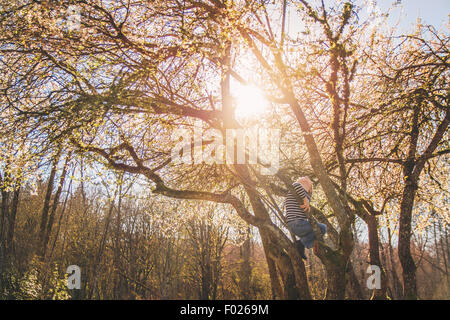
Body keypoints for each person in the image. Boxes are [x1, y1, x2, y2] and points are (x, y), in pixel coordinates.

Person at [284, 176, 327, 260]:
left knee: (318, 231)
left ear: (309, 190)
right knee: (323, 227)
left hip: (297, 225)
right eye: (302, 180)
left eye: (307, 182)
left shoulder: (301, 194)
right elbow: (296, 185)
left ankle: (303, 244)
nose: (305, 179)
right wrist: (305, 199)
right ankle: (301, 243)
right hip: (297, 223)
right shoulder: (296, 188)